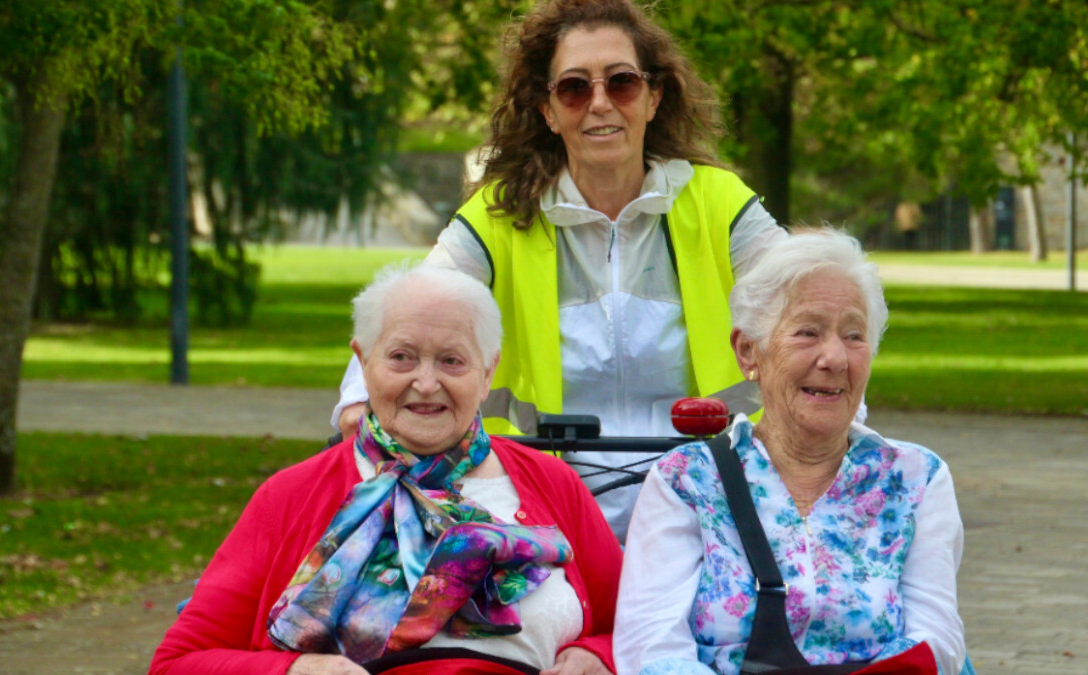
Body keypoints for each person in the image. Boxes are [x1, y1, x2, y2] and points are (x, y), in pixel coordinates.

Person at [332, 0, 787, 541]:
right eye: (574, 87)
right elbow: (416, 308)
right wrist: (360, 397)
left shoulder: (720, 203)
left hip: (708, 507)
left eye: (621, 82)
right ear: (547, 110)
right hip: (538, 511)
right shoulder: (498, 216)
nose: (599, 103)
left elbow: (807, 304)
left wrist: (834, 419)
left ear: (653, 97)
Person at [150, 265, 623, 675]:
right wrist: (295, 668)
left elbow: (639, 625)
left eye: (452, 361)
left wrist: (598, 654)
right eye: (402, 357)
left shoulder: (552, 483)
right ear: (364, 361)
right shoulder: (291, 496)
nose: (425, 382)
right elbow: (177, 663)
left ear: (487, 374)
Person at [613, 229, 968, 675]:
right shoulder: (687, 480)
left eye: (854, 335)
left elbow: (937, 638)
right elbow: (652, 646)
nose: (835, 357)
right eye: (808, 332)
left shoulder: (916, 478)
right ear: (748, 352)